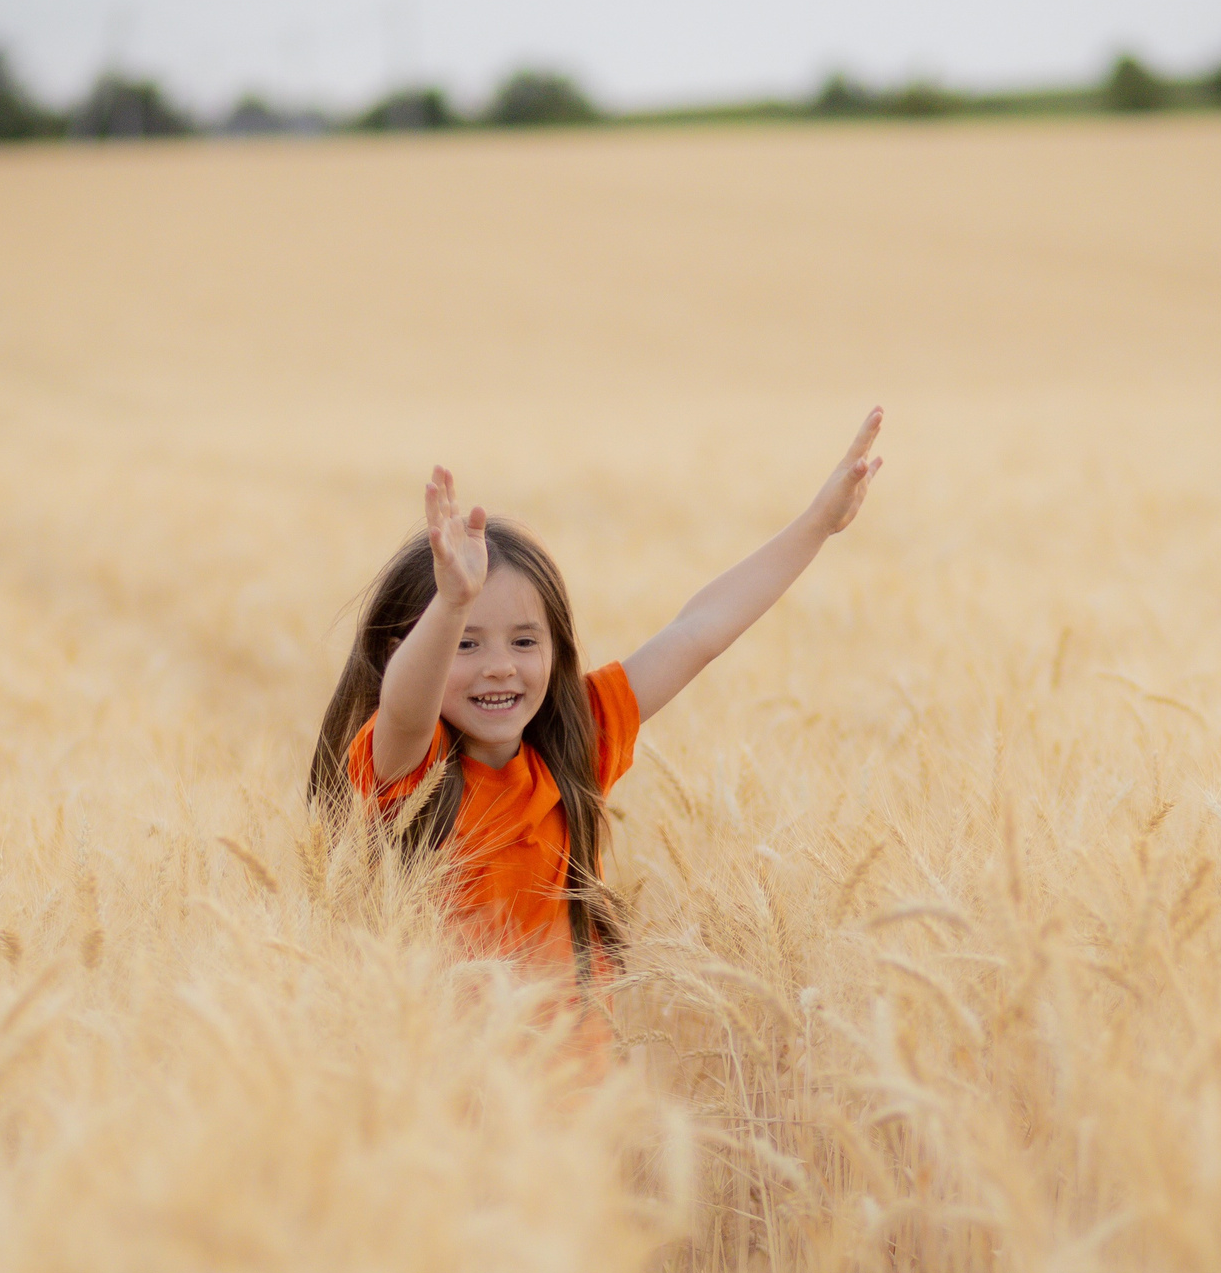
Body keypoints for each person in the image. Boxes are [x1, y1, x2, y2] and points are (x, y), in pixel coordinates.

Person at [308, 409, 885, 986]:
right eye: (465, 644)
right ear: (400, 653)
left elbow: (696, 632)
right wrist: (451, 603)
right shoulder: (409, 770)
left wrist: (816, 524)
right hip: (455, 1072)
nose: (500, 668)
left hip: (581, 1071)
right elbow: (406, 707)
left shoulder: (574, 743)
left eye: (525, 640)